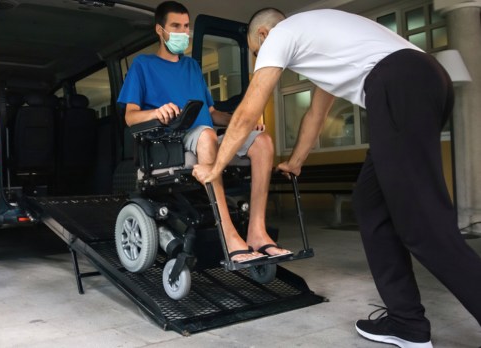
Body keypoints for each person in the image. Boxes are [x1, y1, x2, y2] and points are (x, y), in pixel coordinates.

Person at [192, 7, 481, 348]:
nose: (263, 61)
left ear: (262, 37)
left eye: (258, 54)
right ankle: (406, 323)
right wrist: (296, 161)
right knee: (371, 205)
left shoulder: (279, 36)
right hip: (425, 81)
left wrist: (215, 167)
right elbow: (317, 113)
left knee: (423, 224)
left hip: (400, 85)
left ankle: (412, 321)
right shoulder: (319, 40)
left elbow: (246, 113)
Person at [117, 1, 292, 263]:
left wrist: (239, 121)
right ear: (160, 30)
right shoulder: (143, 65)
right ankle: (229, 235)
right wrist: (155, 112)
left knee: (262, 141)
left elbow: (211, 115)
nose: (182, 32)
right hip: (172, 142)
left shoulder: (192, 67)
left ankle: (257, 232)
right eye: (175, 26)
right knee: (207, 135)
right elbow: (130, 116)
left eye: (185, 26)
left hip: (205, 135)